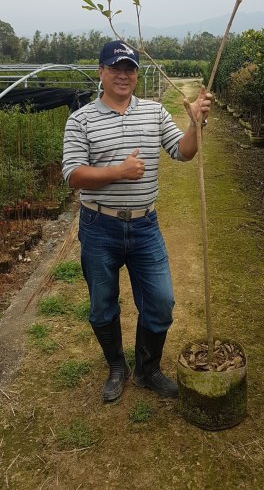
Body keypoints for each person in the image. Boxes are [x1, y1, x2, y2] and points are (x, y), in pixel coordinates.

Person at [62, 41, 212, 402]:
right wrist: (120, 172)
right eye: (115, 68)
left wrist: (195, 122)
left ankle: (148, 369)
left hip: (145, 227)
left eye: (129, 68)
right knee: (102, 305)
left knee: (161, 302)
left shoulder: (154, 113)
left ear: (136, 74)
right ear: (101, 72)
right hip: (100, 227)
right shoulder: (80, 119)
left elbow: (184, 152)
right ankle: (117, 366)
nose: (123, 75)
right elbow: (73, 176)